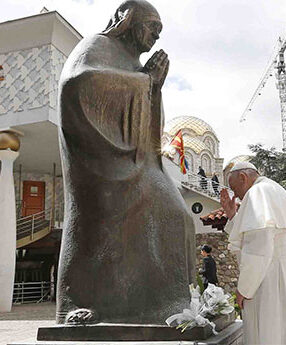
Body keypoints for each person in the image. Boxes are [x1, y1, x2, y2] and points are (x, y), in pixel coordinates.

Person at [56, 0, 196, 324]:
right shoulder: (98, 45)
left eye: (160, 31)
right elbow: (77, 85)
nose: (155, 37)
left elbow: (146, 126)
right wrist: (145, 82)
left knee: (176, 214)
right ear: (125, 17)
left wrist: (153, 87)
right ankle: (79, 303)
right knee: (102, 227)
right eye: (152, 26)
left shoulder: (134, 63)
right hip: (99, 165)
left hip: (138, 164)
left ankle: (160, 303)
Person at [220, 161, 286, 345]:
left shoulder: (257, 192)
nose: (236, 195)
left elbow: (258, 247)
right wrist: (233, 216)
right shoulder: (273, 189)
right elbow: (261, 233)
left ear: (243, 177)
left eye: (235, 188)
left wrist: (244, 288)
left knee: (274, 333)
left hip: (275, 276)